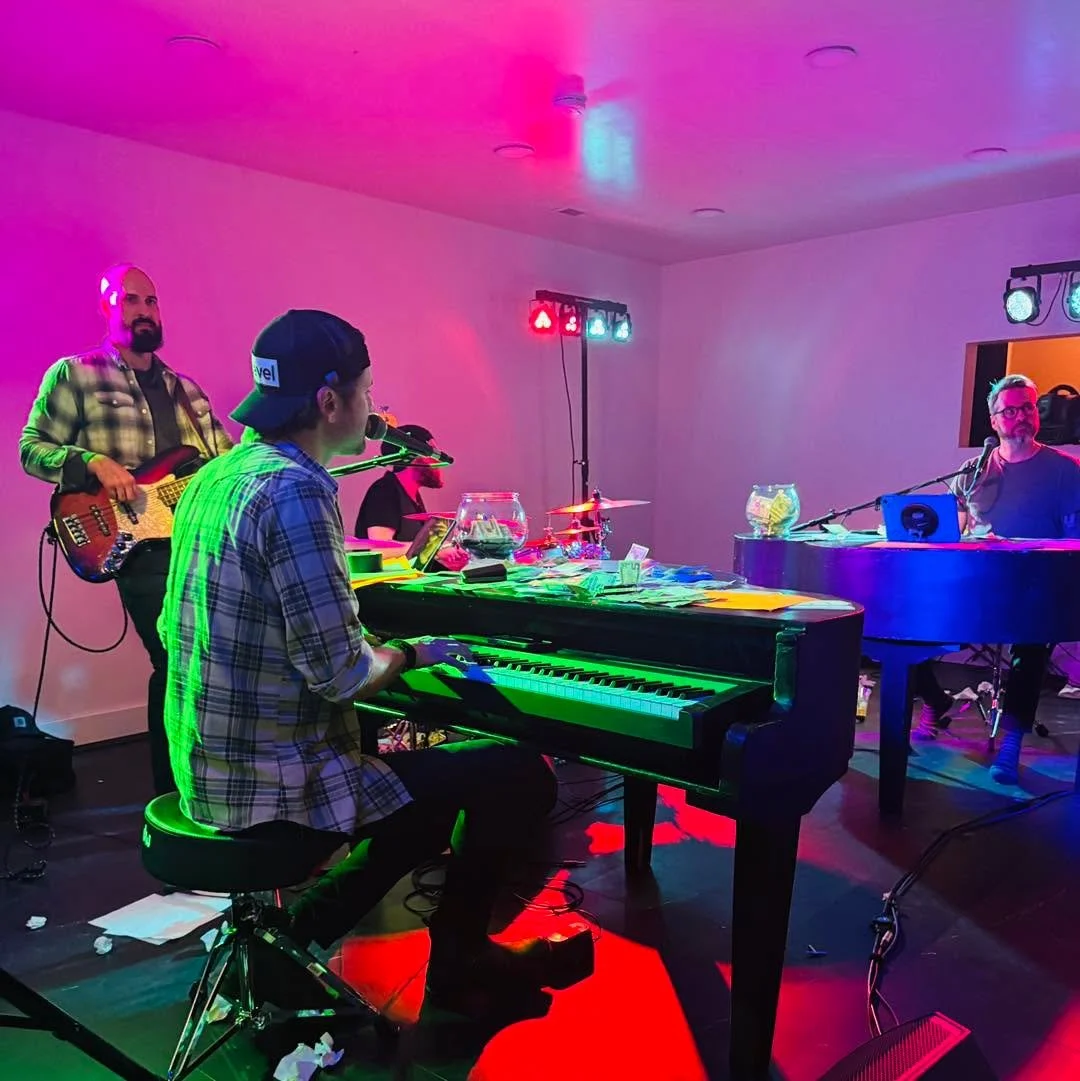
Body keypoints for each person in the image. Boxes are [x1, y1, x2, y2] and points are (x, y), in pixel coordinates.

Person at [158, 309, 570, 1008]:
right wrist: (414, 650)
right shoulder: (296, 489)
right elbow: (343, 675)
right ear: (328, 401)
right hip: (272, 788)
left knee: (422, 804)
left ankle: (296, 940)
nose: (373, 405)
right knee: (519, 772)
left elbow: (173, 629)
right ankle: (462, 960)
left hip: (204, 771)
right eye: (368, 390)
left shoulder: (213, 478)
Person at [19, 264, 232, 795]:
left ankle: (210, 780)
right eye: (130, 300)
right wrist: (92, 461)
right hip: (134, 542)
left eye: (152, 301)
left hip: (195, 538)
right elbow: (31, 449)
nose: (144, 311)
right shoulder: (76, 374)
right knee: (175, 655)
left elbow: (225, 464)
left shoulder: (186, 390)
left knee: (208, 658)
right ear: (107, 308)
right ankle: (174, 793)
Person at [912, 373, 1080, 784]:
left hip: (1032, 587)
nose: (1021, 416)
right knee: (904, 627)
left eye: (1028, 407)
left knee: (1032, 642)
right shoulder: (973, 470)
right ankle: (935, 700)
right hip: (977, 584)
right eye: (1011, 410)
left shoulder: (1066, 470)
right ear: (994, 420)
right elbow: (954, 530)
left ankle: (1012, 740)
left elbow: (1074, 541)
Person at [354, 424, 446, 543]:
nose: (438, 460)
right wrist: (426, 547)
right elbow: (381, 548)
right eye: (432, 452)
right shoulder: (385, 490)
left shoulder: (413, 496)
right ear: (411, 456)